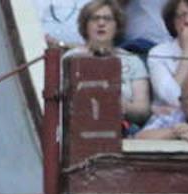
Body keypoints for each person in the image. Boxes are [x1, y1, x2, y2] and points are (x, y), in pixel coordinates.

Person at [65, 0, 152, 129]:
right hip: (79, 128)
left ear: (117, 25)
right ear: (85, 25)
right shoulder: (71, 58)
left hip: (124, 128)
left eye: (107, 19)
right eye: (95, 19)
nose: (101, 23)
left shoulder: (132, 60)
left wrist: (120, 105)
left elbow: (143, 110)